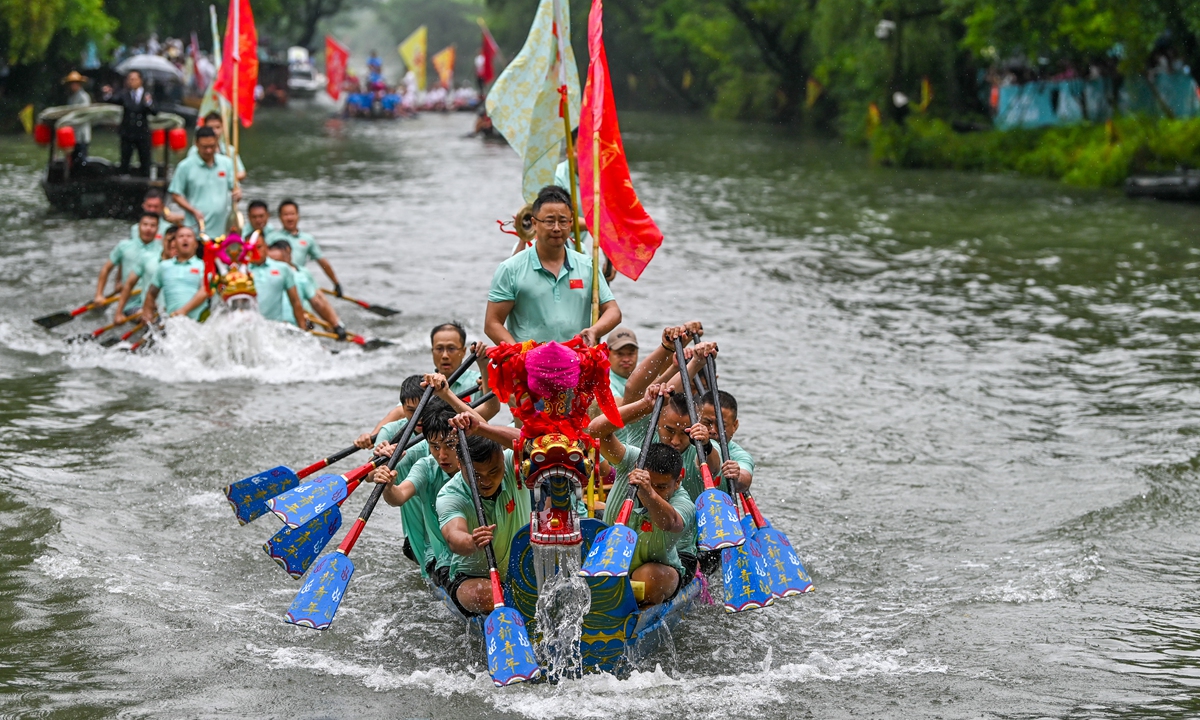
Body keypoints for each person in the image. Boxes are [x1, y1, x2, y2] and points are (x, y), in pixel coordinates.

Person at [485, 185, 620, 346]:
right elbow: (492, 323)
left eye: (563, 222)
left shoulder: (588, 265)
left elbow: (613, 311)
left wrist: (595, 330)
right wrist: (519, 354)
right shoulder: (510, 268)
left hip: (576, 362)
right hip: (529, 366)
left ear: (571, 224)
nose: (556, 228)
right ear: (534, 223)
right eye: (549, 221)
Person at [436, 432, 532, 616]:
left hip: (522, 572)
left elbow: (532, 442)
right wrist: (472, 541)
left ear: (502, 458)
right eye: (476, 475)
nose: (486, 481)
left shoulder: (514, 464)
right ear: (460, 464)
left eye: (494, 471)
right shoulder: (450, 495)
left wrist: (480, 427)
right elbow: (453, 537)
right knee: (482, 596)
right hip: (474, 578)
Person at [368, 403, 461, 580]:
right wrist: (388, 486)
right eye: (435, 446)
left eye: (449, 445)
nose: (442, 455)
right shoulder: (426, 466)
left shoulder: (479, 461)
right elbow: (399, 496)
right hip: (441, 556)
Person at [365, 324, 495, 435]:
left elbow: (491, 409)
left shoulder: (480, 380)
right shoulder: (424, 383)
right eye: (439, 349)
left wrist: (484, 366)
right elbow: (400, 412)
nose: (444, 355)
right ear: (432, 351)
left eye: (451, 349)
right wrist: (372, 436)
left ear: (464, 351)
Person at [266, 239, 346, 338]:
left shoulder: (301, 275)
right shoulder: (259, 275)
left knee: (308, 323)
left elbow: (318, 299)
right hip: (274, 326)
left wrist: (335, 323)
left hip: (301, 320)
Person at [169, 126, 239, 236]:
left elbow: (235, 188)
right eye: (204, 147)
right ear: (196, 144)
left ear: (217, 142)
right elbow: (176, 194)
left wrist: (238, 193)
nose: (208, 150)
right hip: (196, 229)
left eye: (212, 146)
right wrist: (193, 210)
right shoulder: (185, 166)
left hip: (221, 230)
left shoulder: (226, 163)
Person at [266, 200, 341, 298]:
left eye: (292, 214)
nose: (289, 218)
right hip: (277, 281)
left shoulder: (308, 239)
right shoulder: (271, 238)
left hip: (298, 280)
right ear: (280, 217)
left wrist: (336, 283)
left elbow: (322, 263)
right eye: (286, 214)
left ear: (298, 215)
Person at [95, 212, 162, 314]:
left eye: (153, 225)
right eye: (145, 225)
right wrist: (99, 295)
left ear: (158, 228)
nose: (148, 229)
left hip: (155, 302)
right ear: (138, 226)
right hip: (130, 303)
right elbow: (106, 269)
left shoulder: (163, 251)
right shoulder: (124, 246)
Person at [141, 226, 208, 322]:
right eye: (181, 236)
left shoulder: (203, 265)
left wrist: (184, 310)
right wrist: (147, 313)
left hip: (198, 323)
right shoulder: (164, 266)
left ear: (196, 244)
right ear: (175, 244)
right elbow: (151, 293)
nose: (185, 238)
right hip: (172, 323)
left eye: (189, 236)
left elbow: (205, 290)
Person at [115, 224, 177, 323]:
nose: (171, 246)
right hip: (145, 310)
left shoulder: (188, 266)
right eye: (169, 241)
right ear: (163, 240)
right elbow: (129, 284)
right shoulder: (148, 259)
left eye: (175, 244)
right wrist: (118, 313)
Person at [101, 70, 157, 176]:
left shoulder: (147, 95)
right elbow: (113, 100)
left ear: (140, 81)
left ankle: (145, 182)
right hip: (127, 132)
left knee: (145, 160)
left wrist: (148, 103)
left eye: (134, 79)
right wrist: (108, 93)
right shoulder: (124, 94)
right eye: (130, 79)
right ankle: (124, 181)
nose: (132, 81)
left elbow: (154, 112)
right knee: (125, 160)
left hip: (142, 133)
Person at [245, 233, 306, 326]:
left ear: (266, 247)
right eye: (251, 248)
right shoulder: (241, 271)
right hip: (249, 327)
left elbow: (295, 302)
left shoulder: (283, 269)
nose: (256, 251)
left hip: (274, 328)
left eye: (259, 247)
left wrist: (303, 329)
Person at [700, 390, 755, 493]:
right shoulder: (681, 441)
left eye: (721, 425)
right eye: (707, 423)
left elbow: (744, 481)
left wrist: (737, 476)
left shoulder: (738, 455)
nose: (712, 430)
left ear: (735, 426)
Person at [186, 111, 246, 181]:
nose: (215, 131)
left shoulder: (230, 150)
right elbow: (189, 173)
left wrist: (225, 177)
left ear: (223, 128)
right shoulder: (195, 151)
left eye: (218, 127)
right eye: (211, 127)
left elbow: (241, 172)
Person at [63, 71, 91, 163]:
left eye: (75, 83)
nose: (73, 85)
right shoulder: (71, 98)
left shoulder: (84, 97)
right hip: (73, 134)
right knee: (73, 159)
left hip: (81, 134)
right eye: (72, 83)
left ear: (79, 84)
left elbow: (83, 115)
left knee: (81, 159)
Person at [606, 326, 638, 400]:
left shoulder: (645, 375)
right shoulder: (604, 380)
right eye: (620, 354)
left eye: (631, 353)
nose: (626, 359)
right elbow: (617, 407)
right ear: (607, 354)